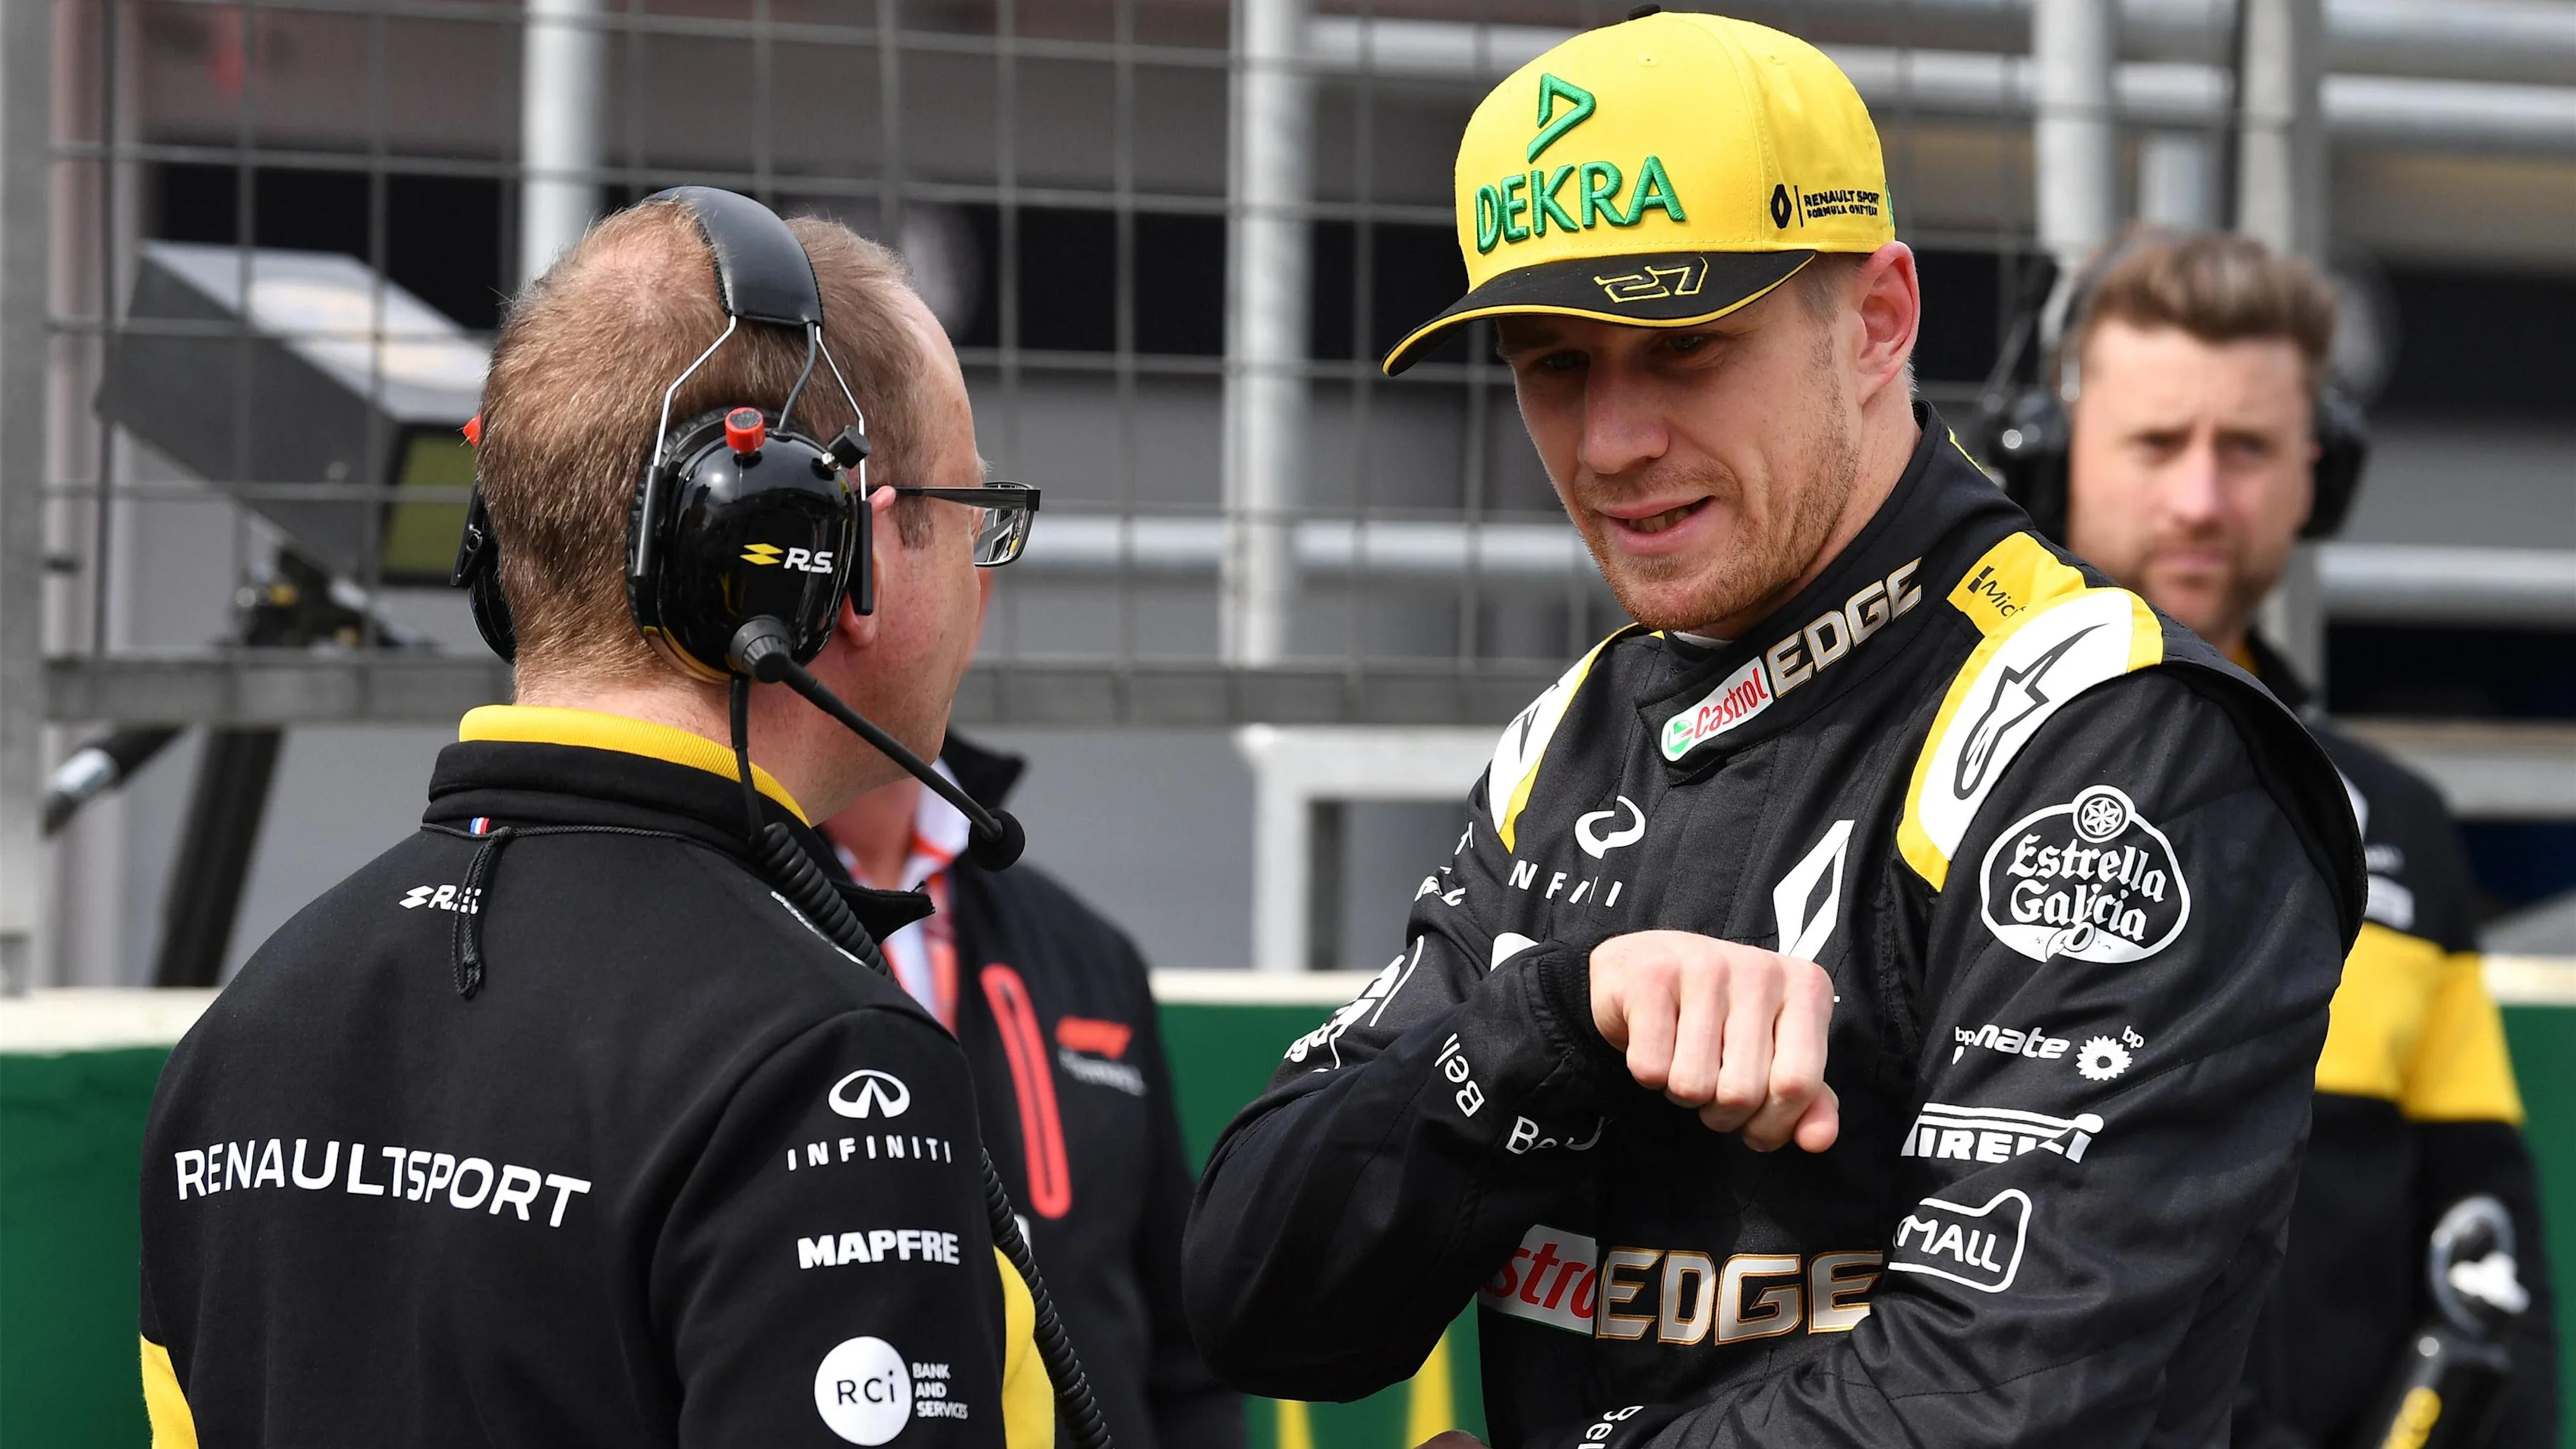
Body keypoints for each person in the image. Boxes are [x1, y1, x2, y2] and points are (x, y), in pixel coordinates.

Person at [1182, 13, 2365, 1448]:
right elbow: (1258, 1295)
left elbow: (2007, 1401)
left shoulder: (2110, 739)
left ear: (1875, 319)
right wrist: (1549, 1024)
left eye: (1681, 345)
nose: (1611, 438)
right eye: (1551, 362)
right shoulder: (1572, 733)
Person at [136, 194, 1054, 1446]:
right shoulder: (825, 1072)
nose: (984, 574)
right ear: (827, 552)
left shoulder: (246, 1029)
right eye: (970, 512)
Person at [2051, 229, 2558, 1449]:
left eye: (2249, 448)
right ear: (2054, 452)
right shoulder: (1927, 771)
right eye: (2157, 443)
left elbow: (2488, 1245)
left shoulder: (2400, 825)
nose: (2201, 500)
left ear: (2317, 477)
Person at [820, 739, 1245, 1449]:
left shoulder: (1087, 952)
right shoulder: (709, 919)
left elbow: (1186, 1346)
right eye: (843, 614)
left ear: (980, 619)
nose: (862, 623)